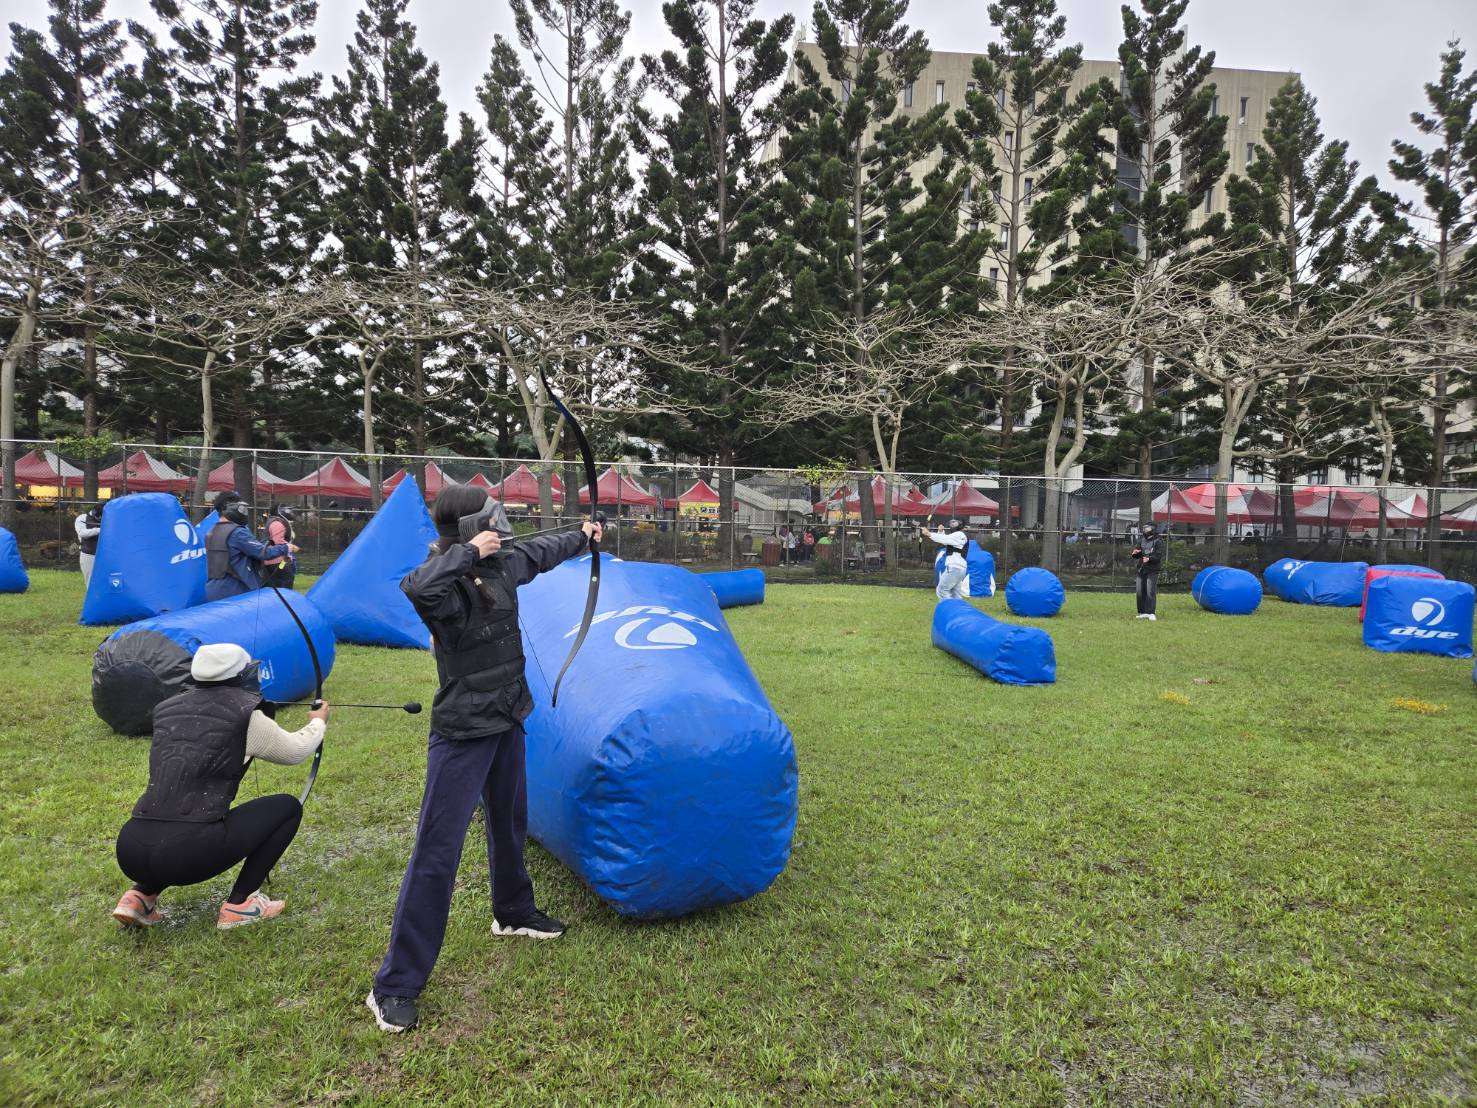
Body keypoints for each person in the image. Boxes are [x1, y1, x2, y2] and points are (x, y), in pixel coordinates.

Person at [367, 484, 603, 1034]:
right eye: (489, 514)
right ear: (468, 528)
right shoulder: (443, 581)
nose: (502, 518)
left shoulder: (505, 562)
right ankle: (395, 984)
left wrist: (583, 535)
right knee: (437, 852)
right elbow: (416, 587)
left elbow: (540, 552)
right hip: (463, 729)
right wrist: (470, 552)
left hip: (508, 712)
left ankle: (513, 911)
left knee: (508, 821)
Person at [111, 643, 330, 930]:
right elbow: (295, 751)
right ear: (243, 675)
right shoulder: (246, 714)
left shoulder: (165, 709)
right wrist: (318, 723)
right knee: (287, 808)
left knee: (174, 824)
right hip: (188, 854)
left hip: (130, 847)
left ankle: (139, 895)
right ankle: (240, 905)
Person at [205, 496, 297, 602]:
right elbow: (263, 553)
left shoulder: (211, 532)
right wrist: (285, 547)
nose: (244, 512)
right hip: (236, 589)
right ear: (230, 508)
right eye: (241, 508)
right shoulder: (237, 532)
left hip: (213, 589)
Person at [924, 518, 970, 600]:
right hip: (959, 568)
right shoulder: (957, 535)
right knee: (955, 594)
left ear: (961, 524)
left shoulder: (960, 535)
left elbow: (945, 539)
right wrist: (941, 532)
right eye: (951, 523)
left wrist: (929, 534)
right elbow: (946, 540)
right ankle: (959, 611)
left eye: (954, 523)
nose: (952, 525)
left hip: (955, 567)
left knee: (942, 590)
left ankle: (949, 610)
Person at [1131, 522, 1163, 620]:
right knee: (1140, 591)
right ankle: (1142, 612)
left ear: (1153, 529)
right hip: (1142, 569)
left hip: (1152, 570)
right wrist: (1135, 553)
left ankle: (1151, 613)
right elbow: (1137, 554)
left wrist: (1149, 559)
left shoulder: (1158, 541)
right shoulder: (1141, 540)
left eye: (1147, 528)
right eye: (1144, 528)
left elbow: (1158, 556)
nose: (1145, 530)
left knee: (1150, 591)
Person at [261, 505, 298, 589]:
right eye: (288, 510)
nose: (290, 512)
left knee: (276, 584)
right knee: (285, 581)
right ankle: (283, 600)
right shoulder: (277, 523)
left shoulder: (278, 522)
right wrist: (291, 547)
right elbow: (278, 541)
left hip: (277, 560)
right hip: (277, 561)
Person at [75, 505, 102, 586]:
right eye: (99, 517)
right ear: (94, 512)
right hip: (89, 555)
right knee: (90, 582)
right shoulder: (82, 518)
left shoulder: (108, 519)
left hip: (105, 555)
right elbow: (82, 533)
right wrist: (100, 530)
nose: (101, 519)